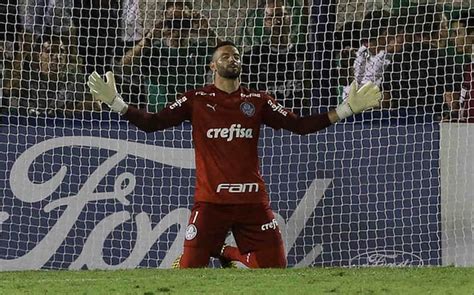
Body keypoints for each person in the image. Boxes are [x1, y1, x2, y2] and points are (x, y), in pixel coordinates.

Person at [87, 41, 381, 268]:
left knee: (275, 271)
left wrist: (345, 109)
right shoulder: (196, 99)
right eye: (226, 55)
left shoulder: (258, 100)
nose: (233, 58)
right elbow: (152, 124)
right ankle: (216, 249)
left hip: (252, 202)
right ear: (212, 65)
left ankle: (225, 251)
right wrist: (116, 102)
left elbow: (299, 126)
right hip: (211, 203)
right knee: (189, 273)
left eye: (236, 55)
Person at [241, 1, 312, 115]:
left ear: (289, 18)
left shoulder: (305, 54)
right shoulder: (253, 57)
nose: (277, 21)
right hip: (267, 122)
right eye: (270, 17)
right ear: (265, 22)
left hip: (299, 119)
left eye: (280, 15)